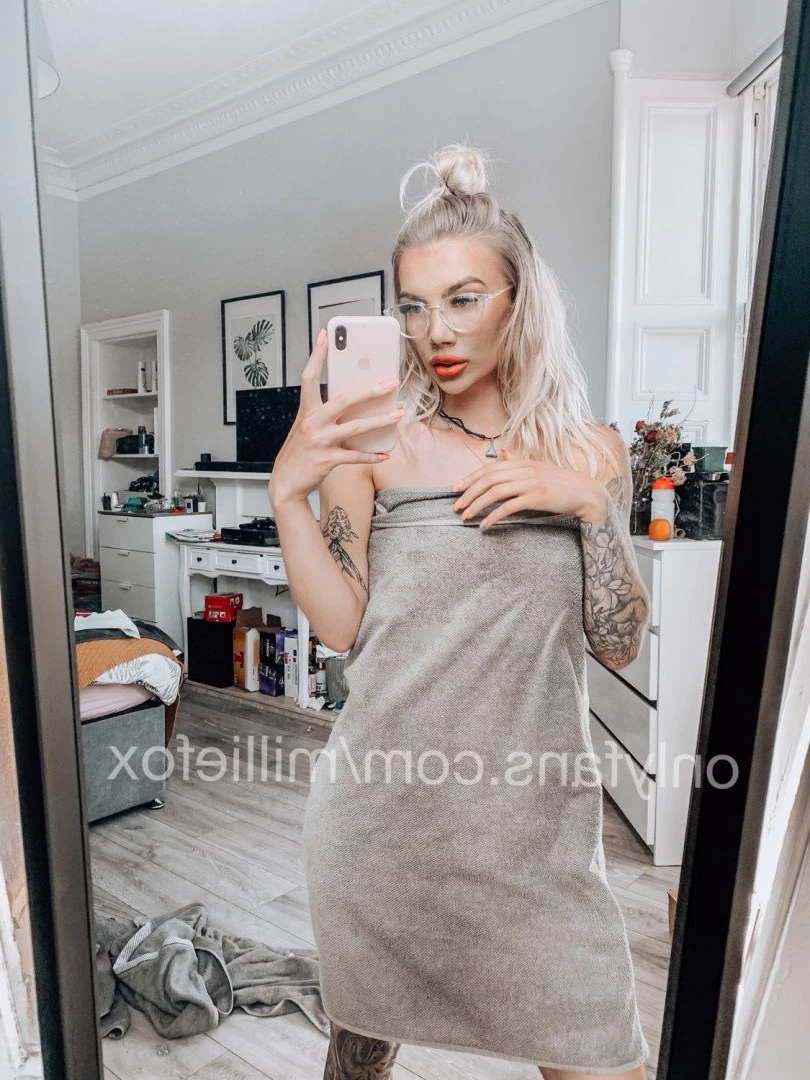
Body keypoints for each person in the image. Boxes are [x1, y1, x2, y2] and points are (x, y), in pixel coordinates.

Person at [269, 143, 652, 1080]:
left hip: (536, 841)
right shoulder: (375, 447)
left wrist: (586, 506)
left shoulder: (593, 456)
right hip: (383, 825)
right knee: (359, 1060)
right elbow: (340, 627)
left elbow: (619, 642)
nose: (433, 331)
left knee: (602, 1054)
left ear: (520, 301)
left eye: (463, 299)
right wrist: (287, 495)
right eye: (412, 305)